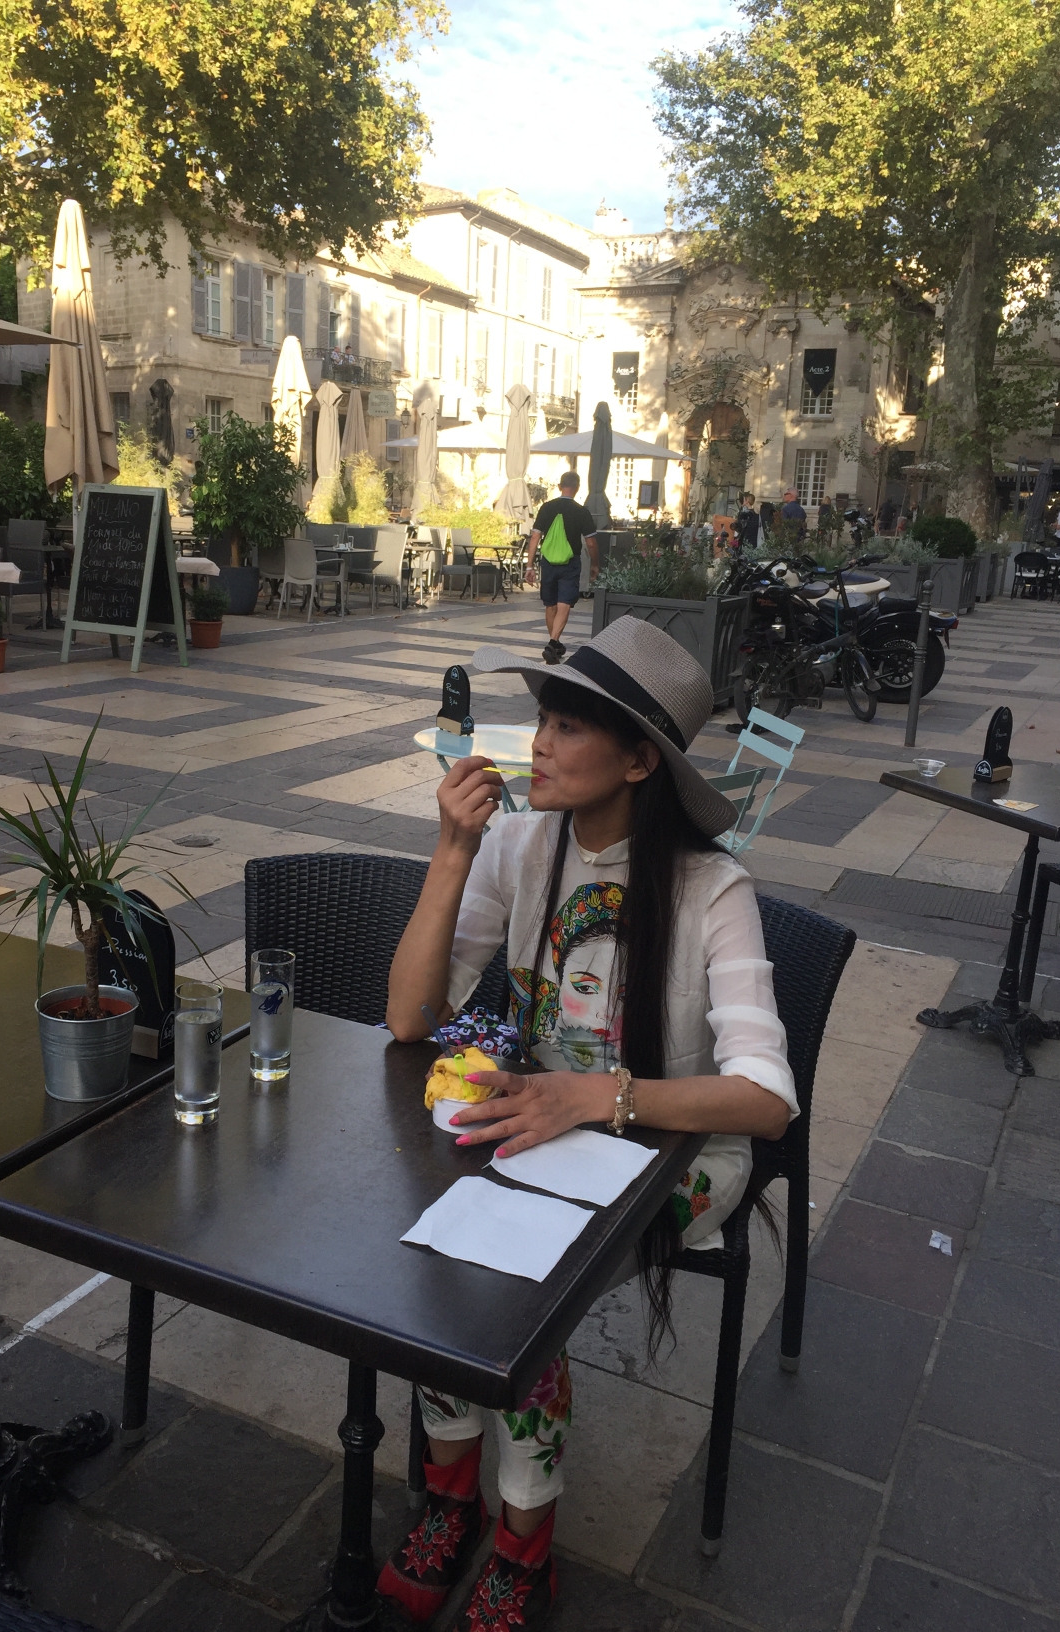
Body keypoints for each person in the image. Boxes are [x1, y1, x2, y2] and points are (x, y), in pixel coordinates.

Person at [381, 618, 795, 1630]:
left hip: (679, 1148)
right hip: (544, 1125)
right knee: (439, 1257)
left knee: (524, 1297)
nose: (540, 746)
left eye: (569, 728)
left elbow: (764, 1098)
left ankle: (523, 1549)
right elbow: (409, 1018)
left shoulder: (712, 890)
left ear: (639, 760)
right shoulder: (521, 846)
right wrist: (453, 849)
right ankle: (450, 1497)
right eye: (543, 722)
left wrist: (600, 1097)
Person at [524, 471, 599, 665]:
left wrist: (529, 566)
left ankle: (554, 645)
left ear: (559, 486)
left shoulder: (546, 508)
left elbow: (535, 537)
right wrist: (595, 564)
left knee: (550, 604)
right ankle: (553, 643)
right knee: (564, 603)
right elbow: (591, 543)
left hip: (548, 562)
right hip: (570, 563)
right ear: (577, 488)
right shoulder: (581, 512)